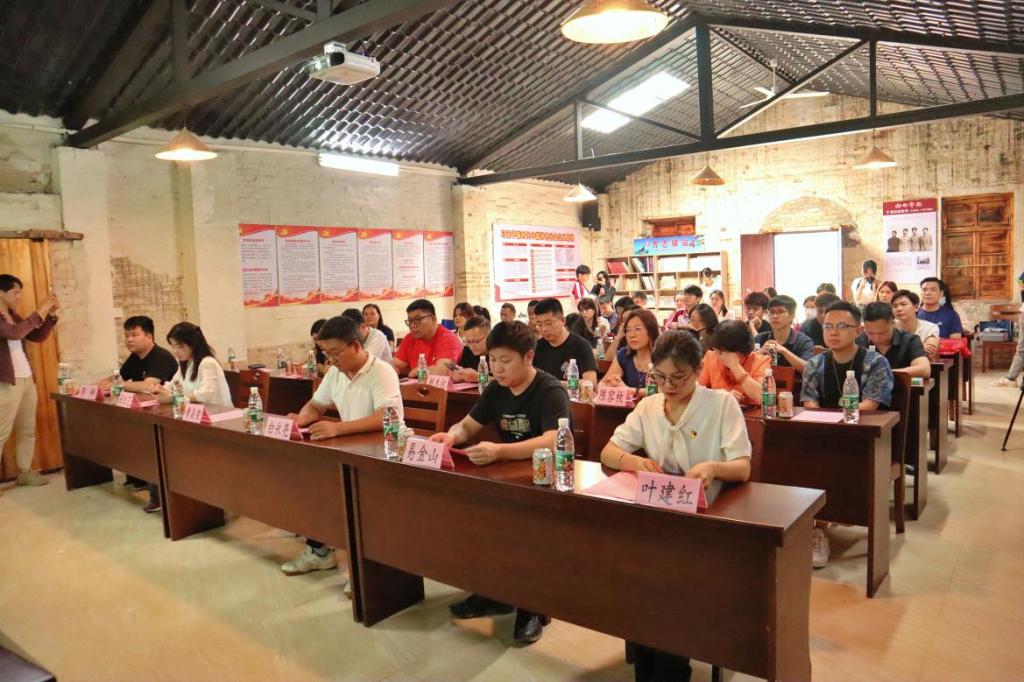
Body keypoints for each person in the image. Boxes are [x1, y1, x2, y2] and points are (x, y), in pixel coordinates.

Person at [601, 330, 751, 682]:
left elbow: (742, 467)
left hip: (705, 518)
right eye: (659, 377)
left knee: (669, 582)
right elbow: (609, 451)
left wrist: (712, 467)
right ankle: (648, 662)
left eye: (678, 377)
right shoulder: (649, 406)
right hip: (658, 514)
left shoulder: (721, 405)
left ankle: (671, 669)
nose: (667, 386)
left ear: (698, 370)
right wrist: (634, 461)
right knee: (636, 574)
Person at [430, 321, 570, 645]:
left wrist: (500, 451)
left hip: (543, 480)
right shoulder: (496, 389)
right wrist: (450, 436)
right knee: (475, 516)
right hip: (505, 477)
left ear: (529, 357)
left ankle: (530, 606)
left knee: (523, 527)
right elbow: (468, 426)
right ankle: (494, 592)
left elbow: (553, 440)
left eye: (505, 361)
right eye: (493, 360)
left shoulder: (550, 390)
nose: (497, 368)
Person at [283, 315, 402, 584]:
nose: (331, 359)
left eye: (335, 352)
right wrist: (301, 419)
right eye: (326, 353)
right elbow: (316, 405)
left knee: (353, 494)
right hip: (352, 449)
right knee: (313, 480)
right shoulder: (335, 373)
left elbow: (386, 418)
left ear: (356, 346)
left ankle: (368, 568)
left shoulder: (381, 371)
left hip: (386, 451)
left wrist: (337, 429)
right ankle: (320, 551)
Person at [802, 301, 893, 569]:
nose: (833, 332)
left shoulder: (875, 362)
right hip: (823, 434)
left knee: (825, 462)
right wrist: (823, 426)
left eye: (842, 326)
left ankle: (820, 528)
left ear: (858, 330)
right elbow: (809, 402)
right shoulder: (815, 363)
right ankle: (808, 525)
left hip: (861, 438)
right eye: (828, 326)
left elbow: (870, 405)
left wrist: (836, 423)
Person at [102, 316, 180, 494]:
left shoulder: (161, 356)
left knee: (134, 429)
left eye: (134, 335)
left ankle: (148, 478)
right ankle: (137, 475)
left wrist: (117, 385)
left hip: (165, 413)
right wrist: (89, 388)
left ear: (149, 337)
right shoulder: (135, 357)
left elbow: (147, 385)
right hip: (144, 411)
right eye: (126, 336)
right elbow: (117, 378)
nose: (129, 340)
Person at [0, 274, 58, 492]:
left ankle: (24, 472)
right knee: (1, 431)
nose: (19, 297)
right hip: (6, 382)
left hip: (26, 379)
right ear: (1, 293)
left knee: (27, 428)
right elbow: (14, 334)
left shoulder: (13, 315)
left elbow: (35, 336)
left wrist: (49, 316)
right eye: (15, 292)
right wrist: (40, 310)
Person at [699, 320, 771, 406]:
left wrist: (735, 367)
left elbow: (765, 400)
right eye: (716, 350)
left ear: (741, 350)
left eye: (721, 352)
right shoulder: (711, 357)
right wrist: (722, 396)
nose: (717, 356)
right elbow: (696, 391)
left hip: (750, 414)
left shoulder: (761, 362)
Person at [532, 298, 598, 386]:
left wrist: (556, 384)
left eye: (548, 323)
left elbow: (590, 382)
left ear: (563, 320)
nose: (544, 329)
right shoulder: (537, 346)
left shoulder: (581, 346)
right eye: (539, 325)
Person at [392, 299, 464, 378]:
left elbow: (444, 371)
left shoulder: (448, 339)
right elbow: (396, 365)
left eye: (418, 319)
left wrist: (417, 371)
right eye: (410, 321)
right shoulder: (410, 338)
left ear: (433, 319)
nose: (412, 325)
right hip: (416, 384)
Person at [857, 303, 930, 378]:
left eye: (882, 333)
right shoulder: (859, 342)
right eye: (871, 333)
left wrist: (883, 373)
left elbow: (924, 370)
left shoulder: (910, 340)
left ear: (893, 323)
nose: (876, 338)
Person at [600, 308, 659, 392]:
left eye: (637, 329)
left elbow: (661, 391)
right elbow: (601, 385)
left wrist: (630, 390)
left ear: (651, 331)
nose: (632, 335)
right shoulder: (624, 355)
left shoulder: (663, 357)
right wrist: (612, 383)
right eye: (628, 330)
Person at [755, 295, 814, 372]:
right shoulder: (760, 338)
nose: (775, 316)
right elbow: (745, 365)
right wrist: (759, 352)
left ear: (792, 315)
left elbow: (809, 370)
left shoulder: (803, 341)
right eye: (772, 312)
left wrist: (784, 351)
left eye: (780, 312)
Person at [891, 289, 940, 361]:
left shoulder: (930, 327)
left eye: (903, 304)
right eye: (895, 306)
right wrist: (919, 347)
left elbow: (929, 353)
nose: (899, 309)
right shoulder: (889, 326)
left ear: (916, 307)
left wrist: (901, 348)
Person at [452, 316, 491, 383]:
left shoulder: (497, 353)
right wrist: (458, 376)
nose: (472, 346)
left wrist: (478, 378)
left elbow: (503, 382)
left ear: (489, 336)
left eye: (476, 341)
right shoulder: (467, 351)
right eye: (468, 342)